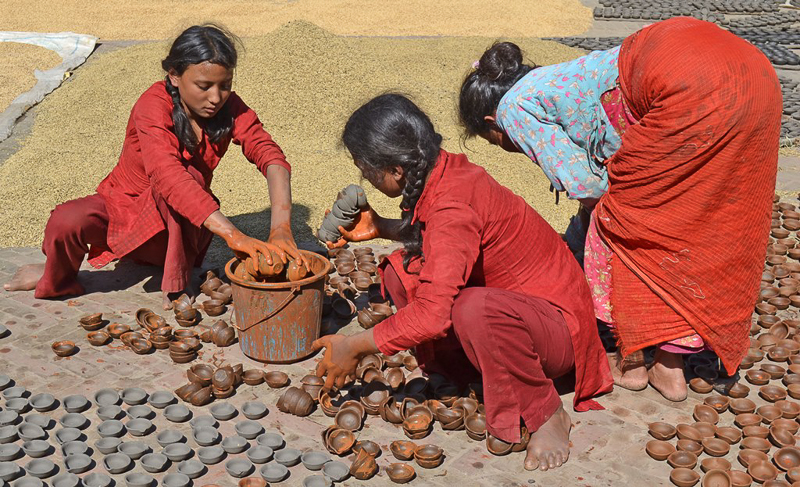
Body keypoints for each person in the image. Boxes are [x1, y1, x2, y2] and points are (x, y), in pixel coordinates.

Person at [458, 17, 781, 401]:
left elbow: (589, 186)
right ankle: (670, 365)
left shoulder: (513, 109)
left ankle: (632, 360)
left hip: (688, 85)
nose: (511, 149)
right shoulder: (565, 77)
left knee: (617, 225)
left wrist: (573, 247)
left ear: (493, 124)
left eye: (498, 143)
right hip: (754, 75)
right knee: (695, 223)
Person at [313, 93, 612, 471]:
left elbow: (436, 309)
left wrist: (354, 346)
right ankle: (462, 369)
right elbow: (440, 239)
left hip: (557, 329)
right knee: (399, 270)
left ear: (395, 170)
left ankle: (547, 412)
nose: (365, 179)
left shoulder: (452, 202)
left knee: (474, 310)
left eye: (365, 170)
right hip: (520, 310)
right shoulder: (441, 171)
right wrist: (382, 227)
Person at [4, 24, 304, 309]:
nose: (215, 97)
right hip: (124, 211)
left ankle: (176, 279)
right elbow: (168, 176)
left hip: (177, 236)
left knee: (188, 181)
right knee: (65, 221)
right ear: (174, 75)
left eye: (225, 85)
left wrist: (281, 228)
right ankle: (53, 273)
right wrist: (234, 235)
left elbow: (271, 156)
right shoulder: (152, 104)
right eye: (204, 85)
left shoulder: (230, 107)